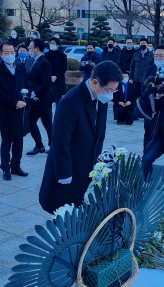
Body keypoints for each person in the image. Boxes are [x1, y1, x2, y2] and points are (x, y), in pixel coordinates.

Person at [39, 61, 122, 213]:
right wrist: (65, 174)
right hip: (68, 170)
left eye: (113, 91)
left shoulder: (101, 98)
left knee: (79, 214)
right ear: (95, 82)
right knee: (64, 214)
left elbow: (99, 134)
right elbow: (59, 141)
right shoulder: (70, 102)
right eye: (109, 89)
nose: (110, 95)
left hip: (87, 168)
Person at [0, 41, 30, 180]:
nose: (10, 55)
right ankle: (5, 168)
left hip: (21, 110)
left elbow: (26, 86)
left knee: (19, 139)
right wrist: (14, 102)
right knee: (7, 141)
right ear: (1, 54)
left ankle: (16, 166)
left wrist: (25, 100)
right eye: (6, 52)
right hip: (7, 110)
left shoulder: (21, 69)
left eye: (12, 52)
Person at [26, 38, 54, 155]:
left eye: (31, 48)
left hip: (41, 99)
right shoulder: (36, 61)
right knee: (47, 123)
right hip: (39, 99)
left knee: (31, 121)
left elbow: (47, 82)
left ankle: (40, 145)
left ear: (37, 49)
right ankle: (50, 145)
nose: (29, 50)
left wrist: (35, 92)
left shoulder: (43, 62)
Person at [46, 37, 68, 105]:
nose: (51, 45)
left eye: (53, 43)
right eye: (50, 43)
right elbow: (45, 67)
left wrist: (56, 76)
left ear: (58, 45)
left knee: (58, 102)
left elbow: (64, 68)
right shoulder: (46, 55)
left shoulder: (62, 55)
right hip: (48, 80)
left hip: (58, 81)